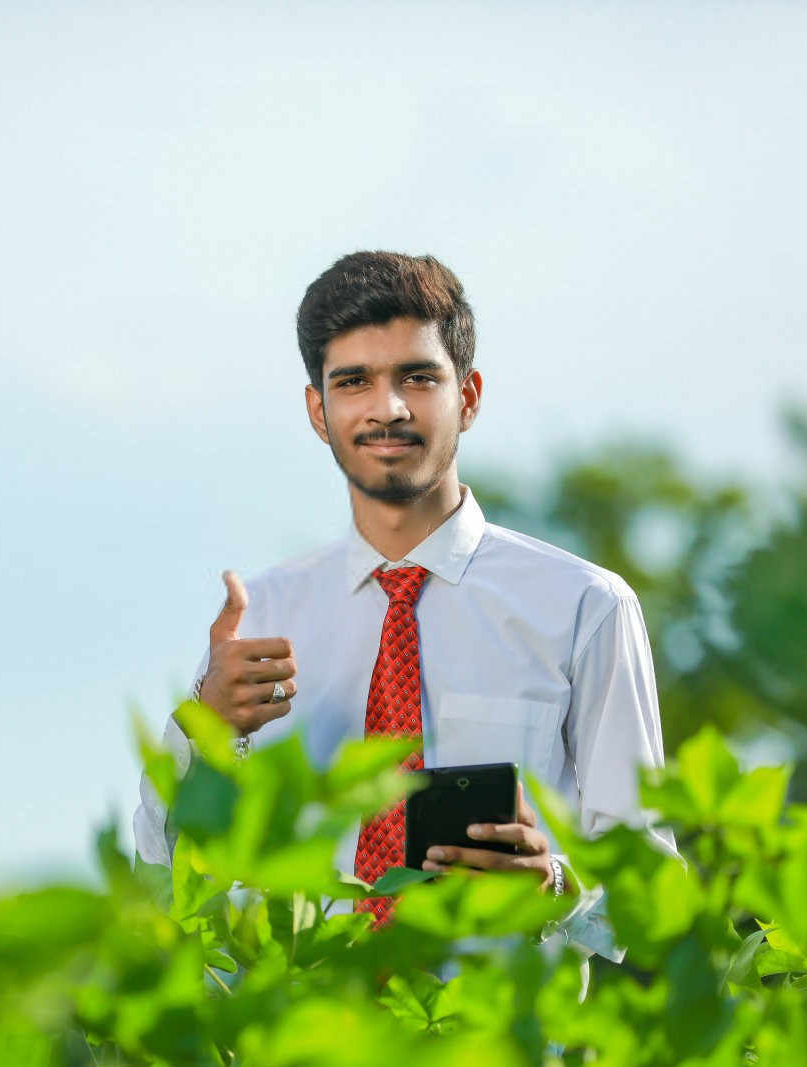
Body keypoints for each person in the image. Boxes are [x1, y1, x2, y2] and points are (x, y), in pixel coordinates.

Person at [133, 250, 678, 958]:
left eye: (417, 378)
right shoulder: (260, 617)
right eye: (353, 381)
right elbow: (161, 873)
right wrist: (202, 725)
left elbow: (659, 901)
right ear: (317, 410)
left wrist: (556, 886)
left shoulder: (582, 607)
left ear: (469, 396)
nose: (386, 408)